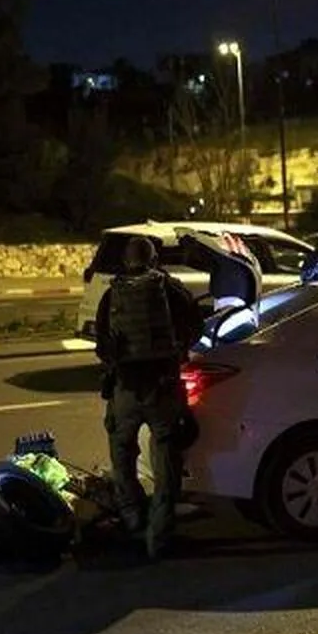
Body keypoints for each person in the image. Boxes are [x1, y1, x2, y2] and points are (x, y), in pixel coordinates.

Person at [95, 236, 201, 560]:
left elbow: (102, 346)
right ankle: (159, 534)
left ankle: (132, 517)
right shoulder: (171, 289)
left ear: (126, 261)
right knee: (166, 459)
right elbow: (195, 328)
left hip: (125, 389)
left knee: (122, 454)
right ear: (154, 260)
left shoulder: (113, 293)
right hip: (163, 387)